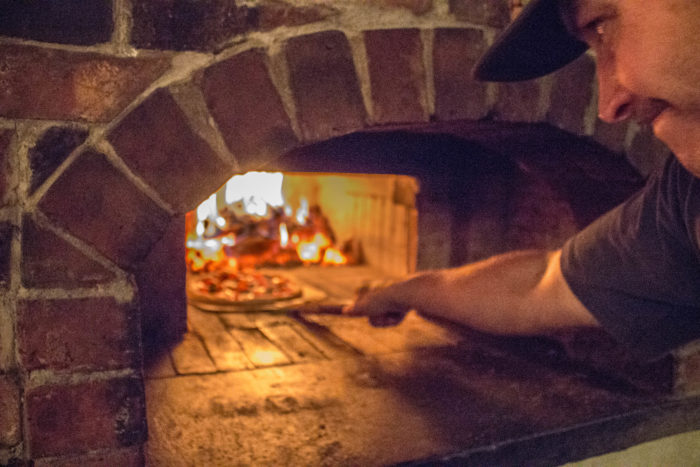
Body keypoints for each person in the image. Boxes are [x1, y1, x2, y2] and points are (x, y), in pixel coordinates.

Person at [343, 0, 700, 360]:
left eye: (603, 28)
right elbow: (539, 286)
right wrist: (400, 292)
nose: (609, 106)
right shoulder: (685, 196)